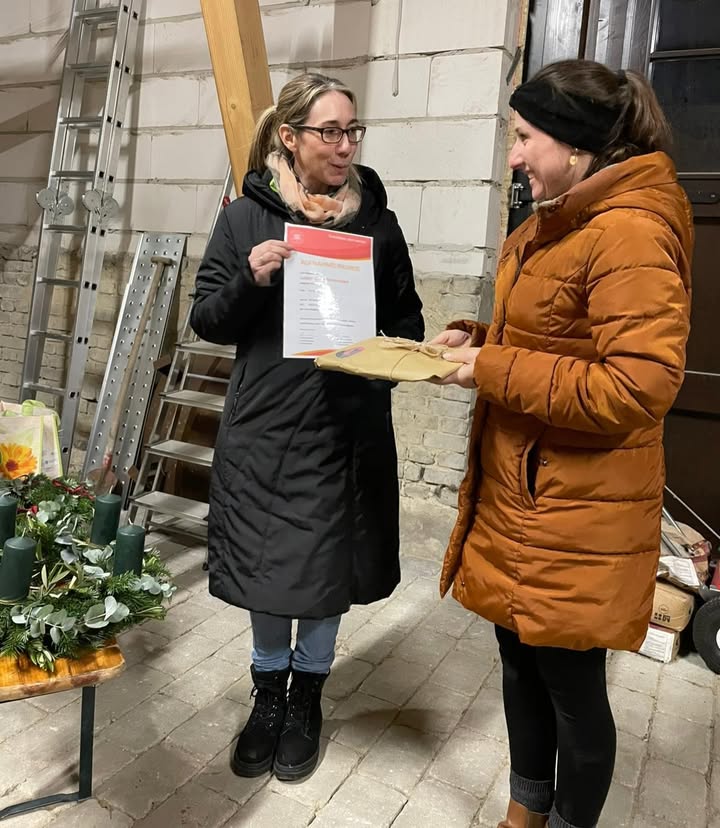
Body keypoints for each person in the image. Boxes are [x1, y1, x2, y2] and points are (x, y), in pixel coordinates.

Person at [432, 59, 693, 828]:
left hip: (578, 510)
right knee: (519, 663)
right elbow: (555, 338)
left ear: (576, 145)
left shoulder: (627, 232)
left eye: (524, 137)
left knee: (573, 692)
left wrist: (493, 368)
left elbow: (637, 387)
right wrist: (480, 340)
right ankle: (526, 811)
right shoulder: (558, 219)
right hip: (526, 499)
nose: (514, 156)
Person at [190, 73, 424, 782]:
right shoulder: (245, 219)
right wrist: (249, 279)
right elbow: (206, 318)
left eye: (353, 131)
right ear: (290, 138)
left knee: (328, 569)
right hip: (266, 428)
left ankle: (307, 700)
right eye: (330, 132)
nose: (346, 146)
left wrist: (386, 363)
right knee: (267, 568)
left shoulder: (377, 225)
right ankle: (268, 696)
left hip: (346, 429)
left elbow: (408, 320)